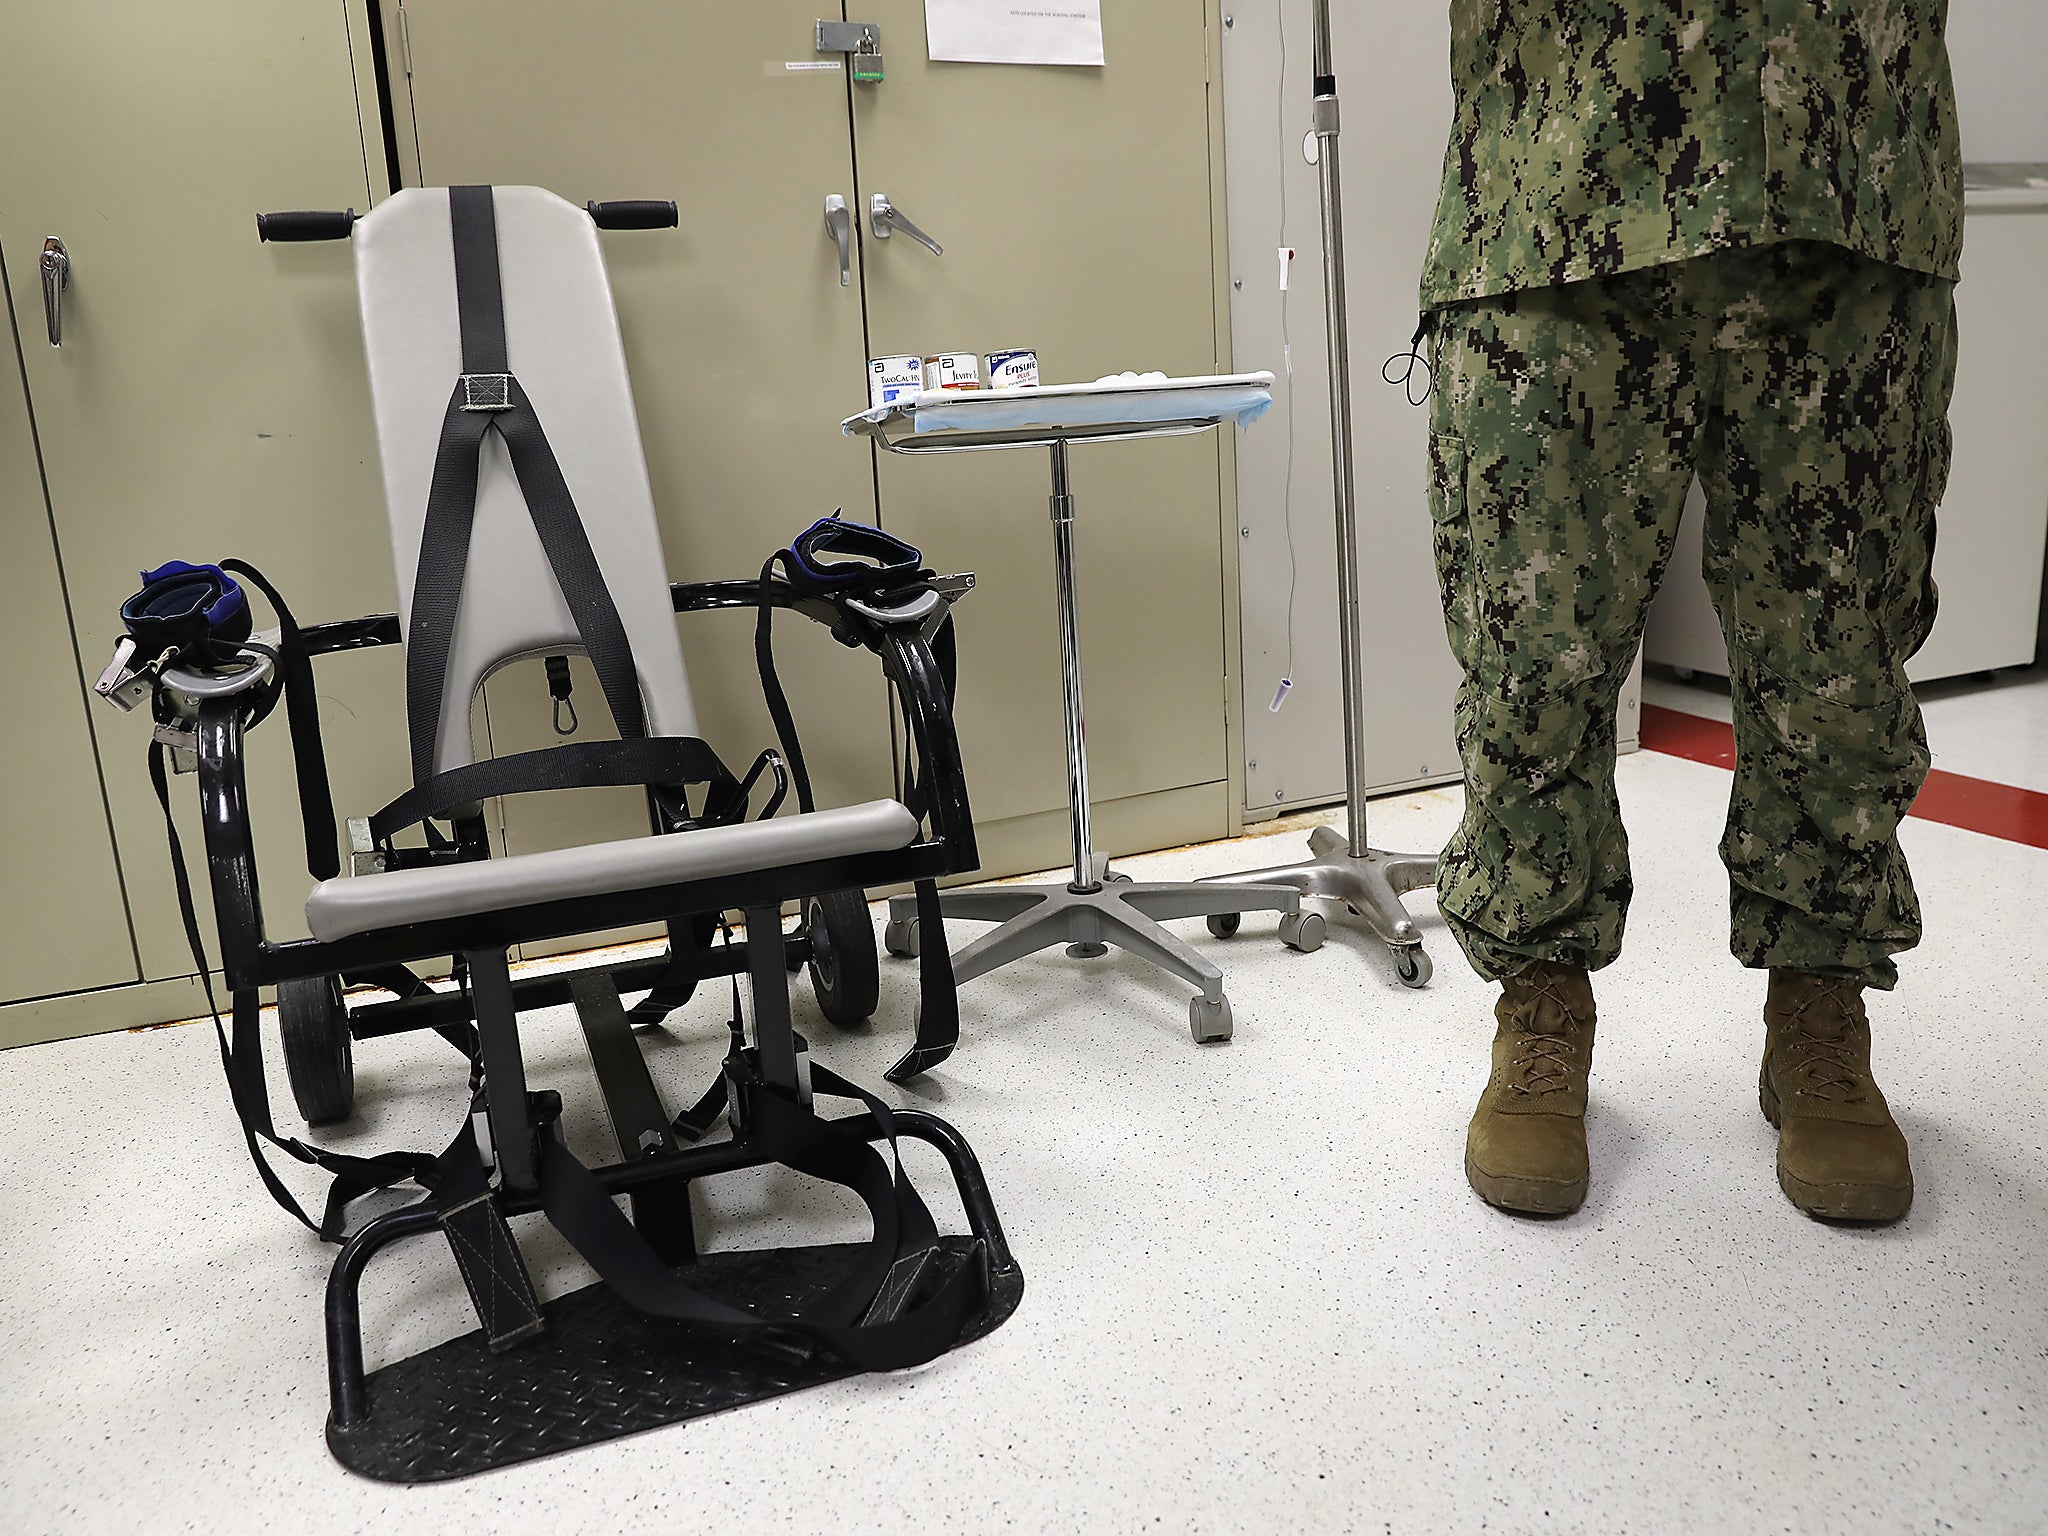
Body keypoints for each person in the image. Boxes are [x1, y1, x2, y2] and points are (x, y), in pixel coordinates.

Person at [1417, 2, 1962, 1222]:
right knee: (1530, 661)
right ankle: (1540, 1002)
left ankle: (1817, 1007)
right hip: (1557, 193)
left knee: (1841, 663)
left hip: (1850, 188)